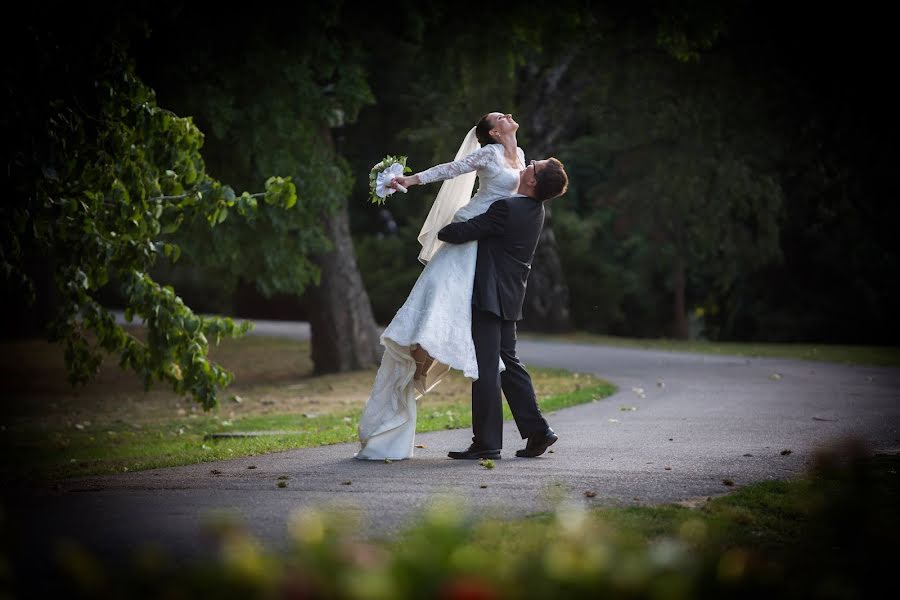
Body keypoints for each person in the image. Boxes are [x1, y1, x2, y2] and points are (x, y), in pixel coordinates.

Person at [355, 112, 527, 460]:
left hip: (490, 245)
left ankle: (421, 365)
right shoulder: (489, 154)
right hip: (468, 234)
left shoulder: (521, 154)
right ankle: (415, 363)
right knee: (439, 307)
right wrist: (408, 180)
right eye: (500, 117)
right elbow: (449, 169)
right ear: (493, 132)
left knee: (459, 314)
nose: (509, 116)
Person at [437, 158, 569, 460]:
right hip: (510, 297)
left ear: (532, 180)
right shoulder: (536, 210)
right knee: (508, 364)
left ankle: (487, 443)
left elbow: (458, 232)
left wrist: (437, 225)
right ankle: (539, 431)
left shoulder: (507, 208)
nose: (530, 162)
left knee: (486, 369)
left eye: (534, 165)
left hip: (489, 296)